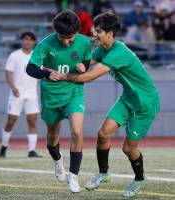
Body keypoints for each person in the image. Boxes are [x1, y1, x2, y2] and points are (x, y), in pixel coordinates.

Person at [46, 12, 160, 197]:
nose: (94, 35)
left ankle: (139, 178)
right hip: (128, 98)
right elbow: (85, 61)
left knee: (128, 149)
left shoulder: (118, 52)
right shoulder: (104, 49)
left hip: (145, 103)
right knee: (103, 134)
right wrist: (71, 62)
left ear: (110, 34)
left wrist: (63, 76)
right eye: (94, 31)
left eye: (98, 31)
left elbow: (90, 76)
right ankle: (104, 173)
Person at [26, 9, 92, 193]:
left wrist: (83, 66)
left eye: (70, 38)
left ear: (77, 32)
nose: (66, 41)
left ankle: (74, 176)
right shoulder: (45, 44)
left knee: (77, 132)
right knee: (52, 136)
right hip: (51, 95)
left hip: (74, 92)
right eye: (62, 37)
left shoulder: (85, 42)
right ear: (56, 32)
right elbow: (30, 69)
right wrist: (46, 73)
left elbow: (87, 60)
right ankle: (57, 160)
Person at [0, 32, 42, 158]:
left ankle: (31, 150)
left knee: (32, 121)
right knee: (11, 121)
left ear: (34, 42)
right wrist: (13, 88)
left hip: (31, 93)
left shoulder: (37, 56)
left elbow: (41, 72)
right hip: (17, 93)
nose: (28, 42)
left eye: (30, 40)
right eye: (25, 39)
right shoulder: (14, 55)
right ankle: (3, 147)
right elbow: (8, 73)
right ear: (22, 41)